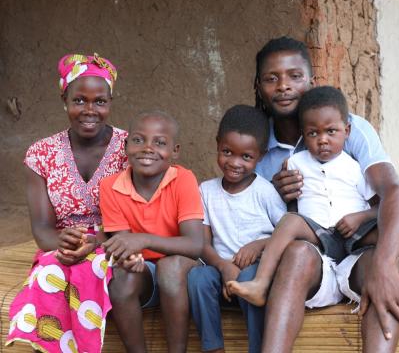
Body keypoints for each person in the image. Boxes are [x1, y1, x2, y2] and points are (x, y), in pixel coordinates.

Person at [228, 86, 399, 336]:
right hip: (318, 236)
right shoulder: (295, 163)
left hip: (354, 232)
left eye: (331, 131)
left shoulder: (355, 167)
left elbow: (380, 206)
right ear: (304, 136)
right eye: (313, 133)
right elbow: (293, 208)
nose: (323, 139)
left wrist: (360, 217)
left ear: (346, 131)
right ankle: (261, 283)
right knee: (289, 221)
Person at [249, 36, 399, 352]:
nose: (284, 86)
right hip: (308, 262)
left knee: (385, 266)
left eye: (295, 76)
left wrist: (384, 262)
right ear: (258, 86)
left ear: (312, 81)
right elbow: (251, 216)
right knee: (297, 253)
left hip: (356, 253)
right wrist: (276, 194)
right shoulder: (254, 144)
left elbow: (394, 194)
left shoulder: (350, 128)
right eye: (272, 78)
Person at [7, 53, 126, 353]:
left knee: (94, 269)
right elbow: (43, 230)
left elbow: (139, 215)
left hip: (114, 241)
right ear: (64, 99)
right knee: (50, 273)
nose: (90, 110)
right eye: (79, 100)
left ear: (111, 101)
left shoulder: (129, 148)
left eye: (100, 101)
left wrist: (97, 242)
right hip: (60, 245)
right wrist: (63, 243)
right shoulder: (41, 154)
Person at [99, 110, 204, 353]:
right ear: (125, 146)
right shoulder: (110, 187)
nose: (148, 148)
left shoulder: (183, 179)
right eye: (138, 140)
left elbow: (194, 245)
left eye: (160, 142)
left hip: (182, 269)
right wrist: (131, 257)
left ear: (175, 151)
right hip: (145, 271)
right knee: (120, 279)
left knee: (169, 267)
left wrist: (143, 239)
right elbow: (124, 244)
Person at [187, 105, 286, 353]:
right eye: (227, 152)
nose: (234, 163)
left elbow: (286, 234)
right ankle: (213, 347)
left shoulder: (265, 192)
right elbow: (203, 244)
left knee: (248, 277)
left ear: (260, 156)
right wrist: (223, 267)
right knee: (197, 277)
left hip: (255, 274)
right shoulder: (206, 191)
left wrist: (259, 245)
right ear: (218, 144)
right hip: (220, 271)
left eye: (246, 157)